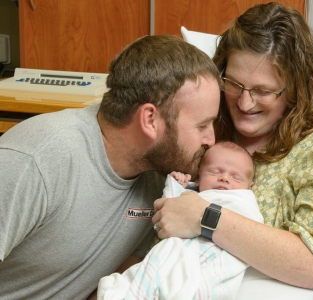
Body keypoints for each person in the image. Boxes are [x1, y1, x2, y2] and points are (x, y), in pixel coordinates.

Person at [152, 2, 313, 293]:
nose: (245, 103)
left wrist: (204, 216)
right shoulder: (203, 131)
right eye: (234, 83)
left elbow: (311, 266)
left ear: (296, 87)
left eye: (263, 91)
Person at [0, 35, 221, 299]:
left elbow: (115, 282)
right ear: (150, 119)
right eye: (202, 125)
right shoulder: (35, 162)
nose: (211, 139)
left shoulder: (158, 178)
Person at [97, 141, 264, 300]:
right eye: (215, 172)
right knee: (158, 269)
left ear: (249, 187)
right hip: (179, 251)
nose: (224, 178)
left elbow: (252, 230)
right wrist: (176, 185)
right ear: (198, 178)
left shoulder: (244, 202)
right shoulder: (190, 196)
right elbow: (168, 212)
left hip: (215, 260)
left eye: (236, 177)